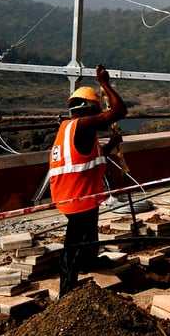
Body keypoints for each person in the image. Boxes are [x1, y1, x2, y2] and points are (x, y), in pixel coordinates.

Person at [49, 65, 127, 296]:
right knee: (74, 243)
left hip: (78, 193)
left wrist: (111, 145)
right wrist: (104, 83)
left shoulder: (71, 129)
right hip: (77, 195)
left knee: (86, 235)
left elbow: (87, 157)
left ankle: (87, 263)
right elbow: (119, 110)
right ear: (91, 108)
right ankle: (67, 289)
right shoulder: (82, 125)